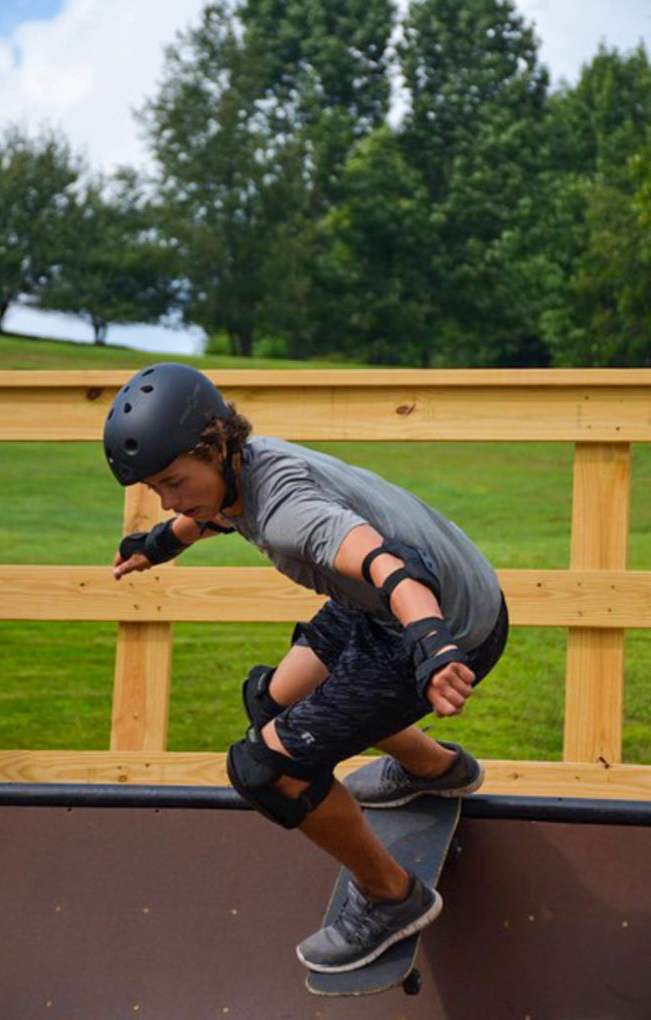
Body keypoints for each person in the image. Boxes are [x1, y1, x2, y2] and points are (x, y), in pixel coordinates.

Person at [104, 362, 508, 974]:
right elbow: (215, 512)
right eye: (158, 489)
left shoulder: (292, 510)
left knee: (265, 768)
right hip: (398, 604)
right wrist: (159, 543)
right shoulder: (244, 464)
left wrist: (430, 640)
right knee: (273, 699)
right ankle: (436, 768)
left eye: (173, 481)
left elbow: (388, 564)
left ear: (214, 446)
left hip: (435, 621)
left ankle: (391, 897)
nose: (169, 498)